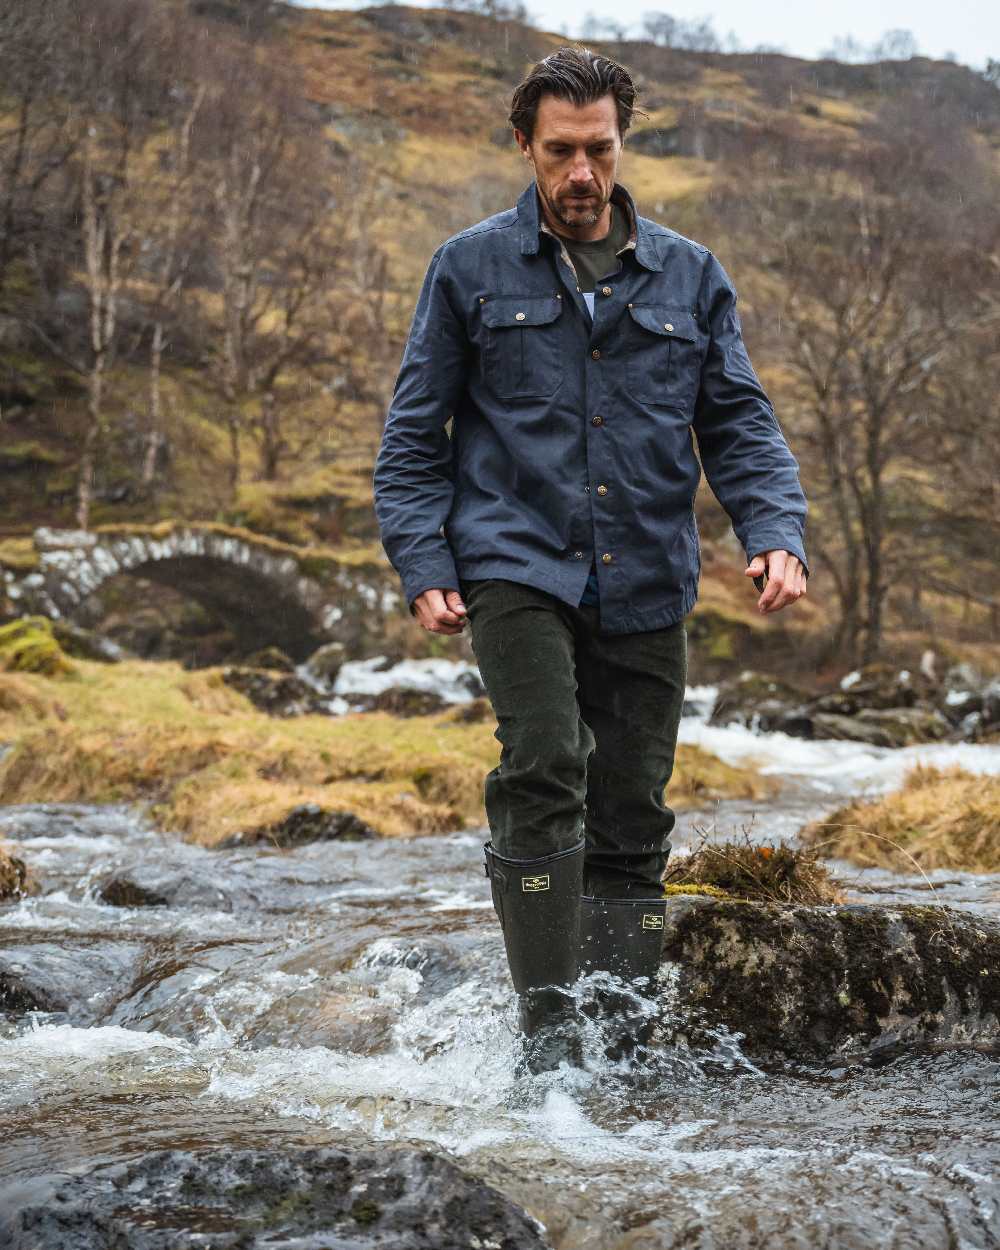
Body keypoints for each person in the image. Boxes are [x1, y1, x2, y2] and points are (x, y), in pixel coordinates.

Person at [373, 47, 809, 1072]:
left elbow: (738, 422)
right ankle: (549, 1026)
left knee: (633, 804)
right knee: (544, 758)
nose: (581, 173)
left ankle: (620, 1029)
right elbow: (411, 435)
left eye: (598, 150)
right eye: (560, 150)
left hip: (650, 570)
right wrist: (422, 553)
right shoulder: (468, 266)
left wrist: (774, 530)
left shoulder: (691, 275)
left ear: (622, 142)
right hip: (513, 558)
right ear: (524, 144)